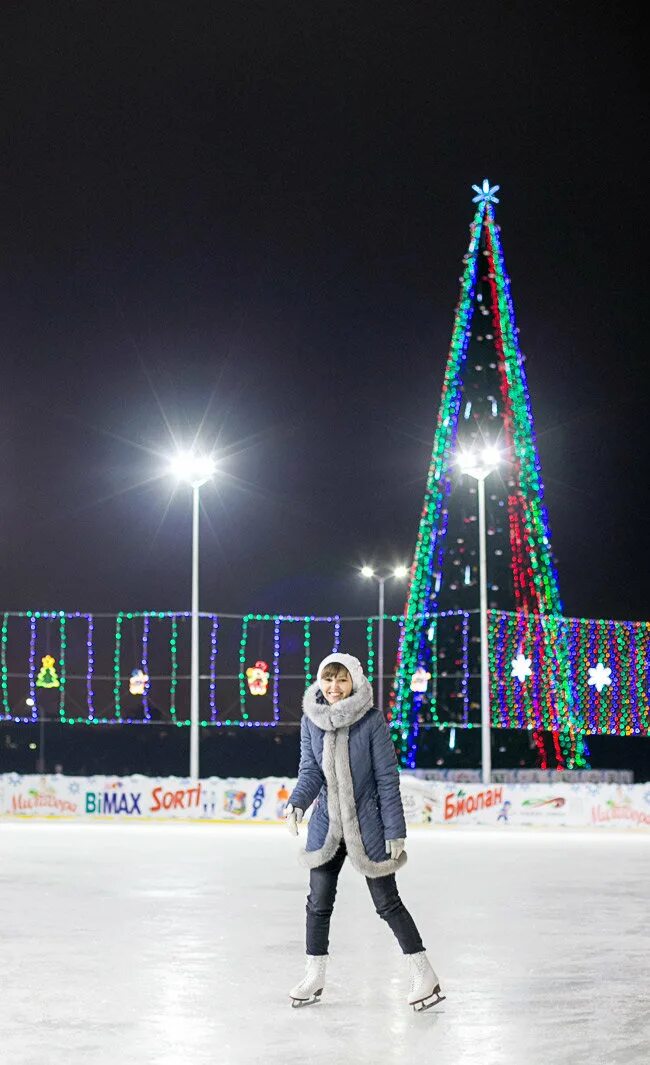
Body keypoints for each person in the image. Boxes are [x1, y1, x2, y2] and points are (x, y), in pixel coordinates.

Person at [285, 652, 444, 1011]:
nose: (334, 687)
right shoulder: (311, 721)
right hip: (327, 825)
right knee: (317, 904)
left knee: (387, 902)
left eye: (341, 680)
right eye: (328, 679)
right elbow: (310, 771)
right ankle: (315, 974)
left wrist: (395, 829)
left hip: (367, 825)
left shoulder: (371, 721)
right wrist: (297, 802)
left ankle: (425, 974)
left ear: (354, 681)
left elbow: (387, 779)